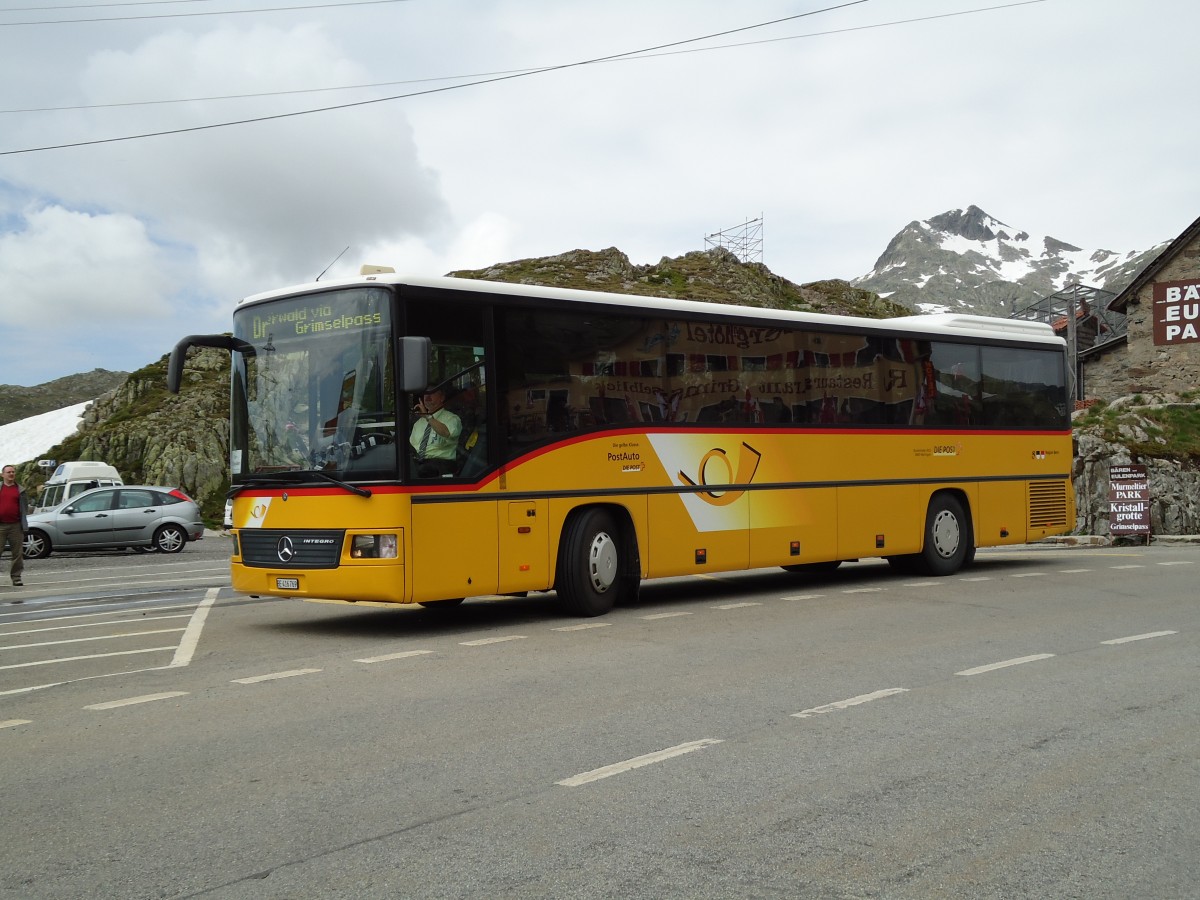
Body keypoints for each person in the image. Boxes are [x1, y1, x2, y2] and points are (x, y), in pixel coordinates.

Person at [409, 388, 462, 477]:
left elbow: (446, 432)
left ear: (442, 398)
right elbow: (413, 445)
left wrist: (428, 416)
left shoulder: (452, 419)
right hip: (419, 462)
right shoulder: (418, 423)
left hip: (442, 463)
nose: (427, 397)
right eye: (426, 393)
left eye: (432, 393)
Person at [0, 464, 30, 590]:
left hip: (16, 526)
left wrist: (23, 523)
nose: (11, 474)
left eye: (13, 472)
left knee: (17, 554)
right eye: (8, 472)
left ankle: (16, 578)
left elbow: (25, 507)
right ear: (2, 475)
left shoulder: (20, 490)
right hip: (0, 525)